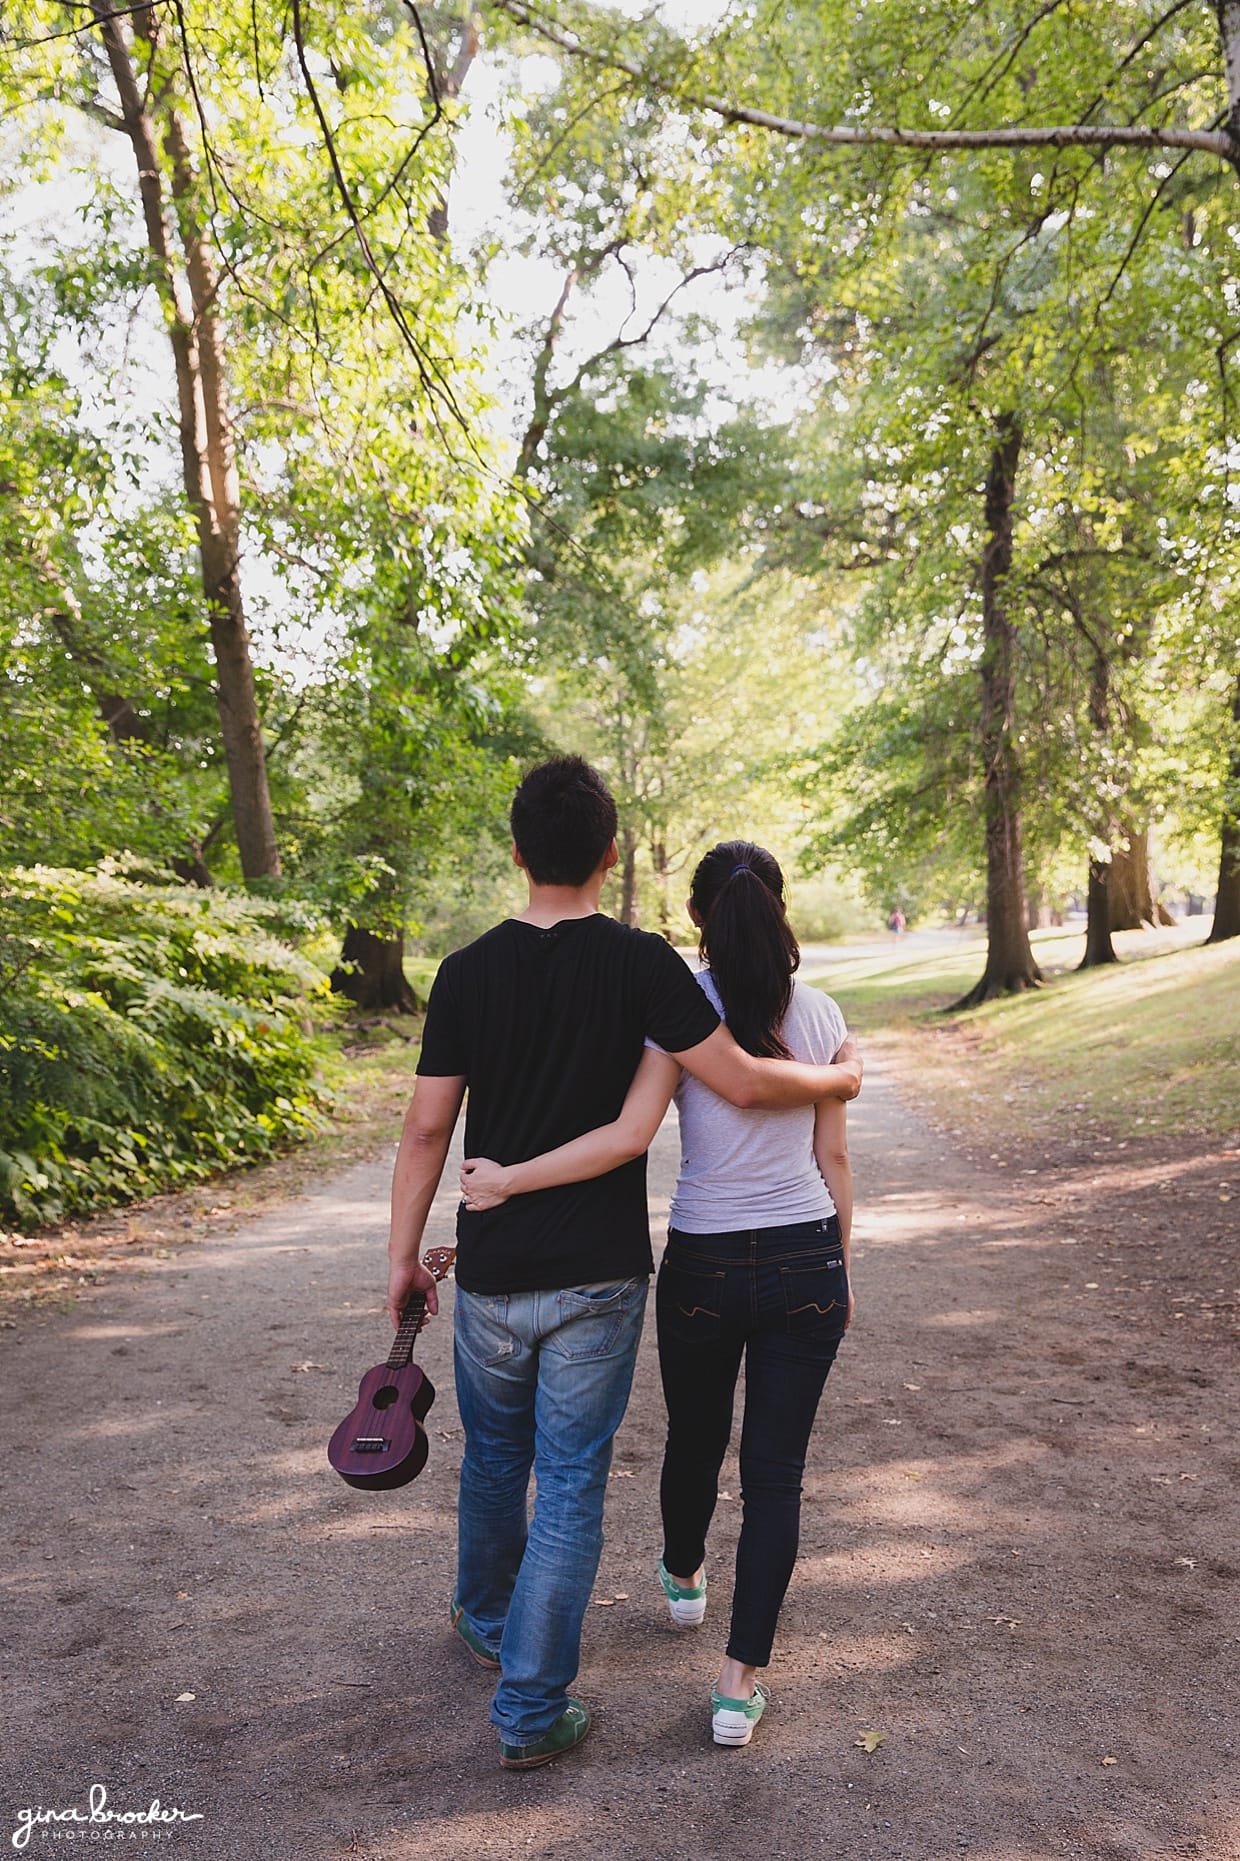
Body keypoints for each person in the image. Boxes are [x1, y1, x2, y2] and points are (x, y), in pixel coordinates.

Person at [387, 761, 862, 1771]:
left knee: (494, 1458)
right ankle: (529, 1705)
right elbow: (735, 1079)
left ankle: (487, 1619)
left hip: (494, 1265)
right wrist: (843, 1076)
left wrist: (404, 1258)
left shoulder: (465, 971)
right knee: (567, 1481)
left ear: (516, 851)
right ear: (611, 854)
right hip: (599, 1273)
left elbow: (427, 1128)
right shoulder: (642, 964)